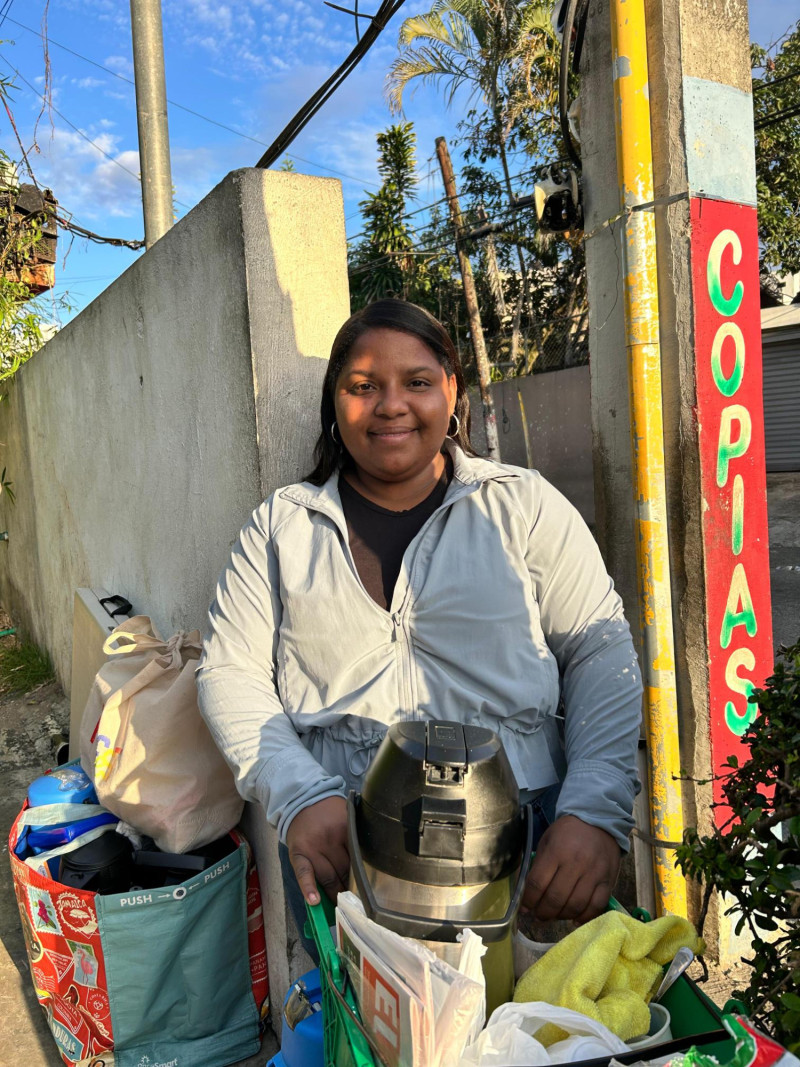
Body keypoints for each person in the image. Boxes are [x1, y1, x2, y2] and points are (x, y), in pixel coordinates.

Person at [197, 298, 642, 946]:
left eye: (417, 381)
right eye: (363, 386)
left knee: (526, 1030)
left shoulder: (522, 506)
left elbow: (600, 647)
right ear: (334, 402)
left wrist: (595, 809)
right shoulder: (281, 528)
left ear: (451, 391)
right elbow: (230, 671)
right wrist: (297, 794)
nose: (391, 404)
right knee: (369, 1035)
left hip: (527, 840)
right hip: (345, 844)